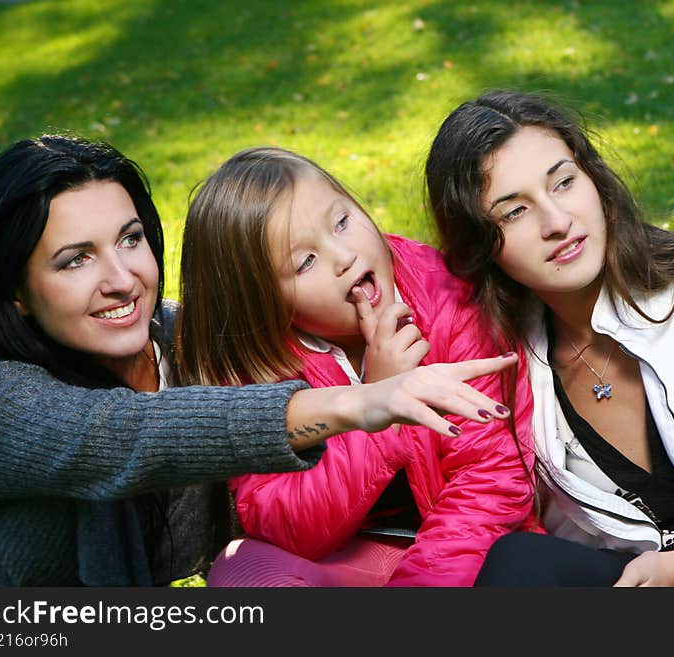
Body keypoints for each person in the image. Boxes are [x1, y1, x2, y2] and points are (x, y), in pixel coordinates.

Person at [0, 134, 522, 587]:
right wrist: (367, 400)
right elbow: (121, 437)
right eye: (75, 261)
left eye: (129, 239)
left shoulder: (191, 343)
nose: (121, 281)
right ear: (14, 291)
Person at [424, 90, 674, 587]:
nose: (558, 222)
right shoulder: (519, 374)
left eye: (564, 183)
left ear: (594, 179)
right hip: (657, 584)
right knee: (519, 563)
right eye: (514, 212)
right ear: (480, 245)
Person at [176, 146, 536, 587]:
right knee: (245, 572)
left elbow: (490, 480)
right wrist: (377, 408)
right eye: (304, 262)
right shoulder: (262, 362)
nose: (344, 255)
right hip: (356, 554)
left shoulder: (446, 301)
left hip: (468, 555)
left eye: (342, 222)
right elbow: (286, 525)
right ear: (262, 303)